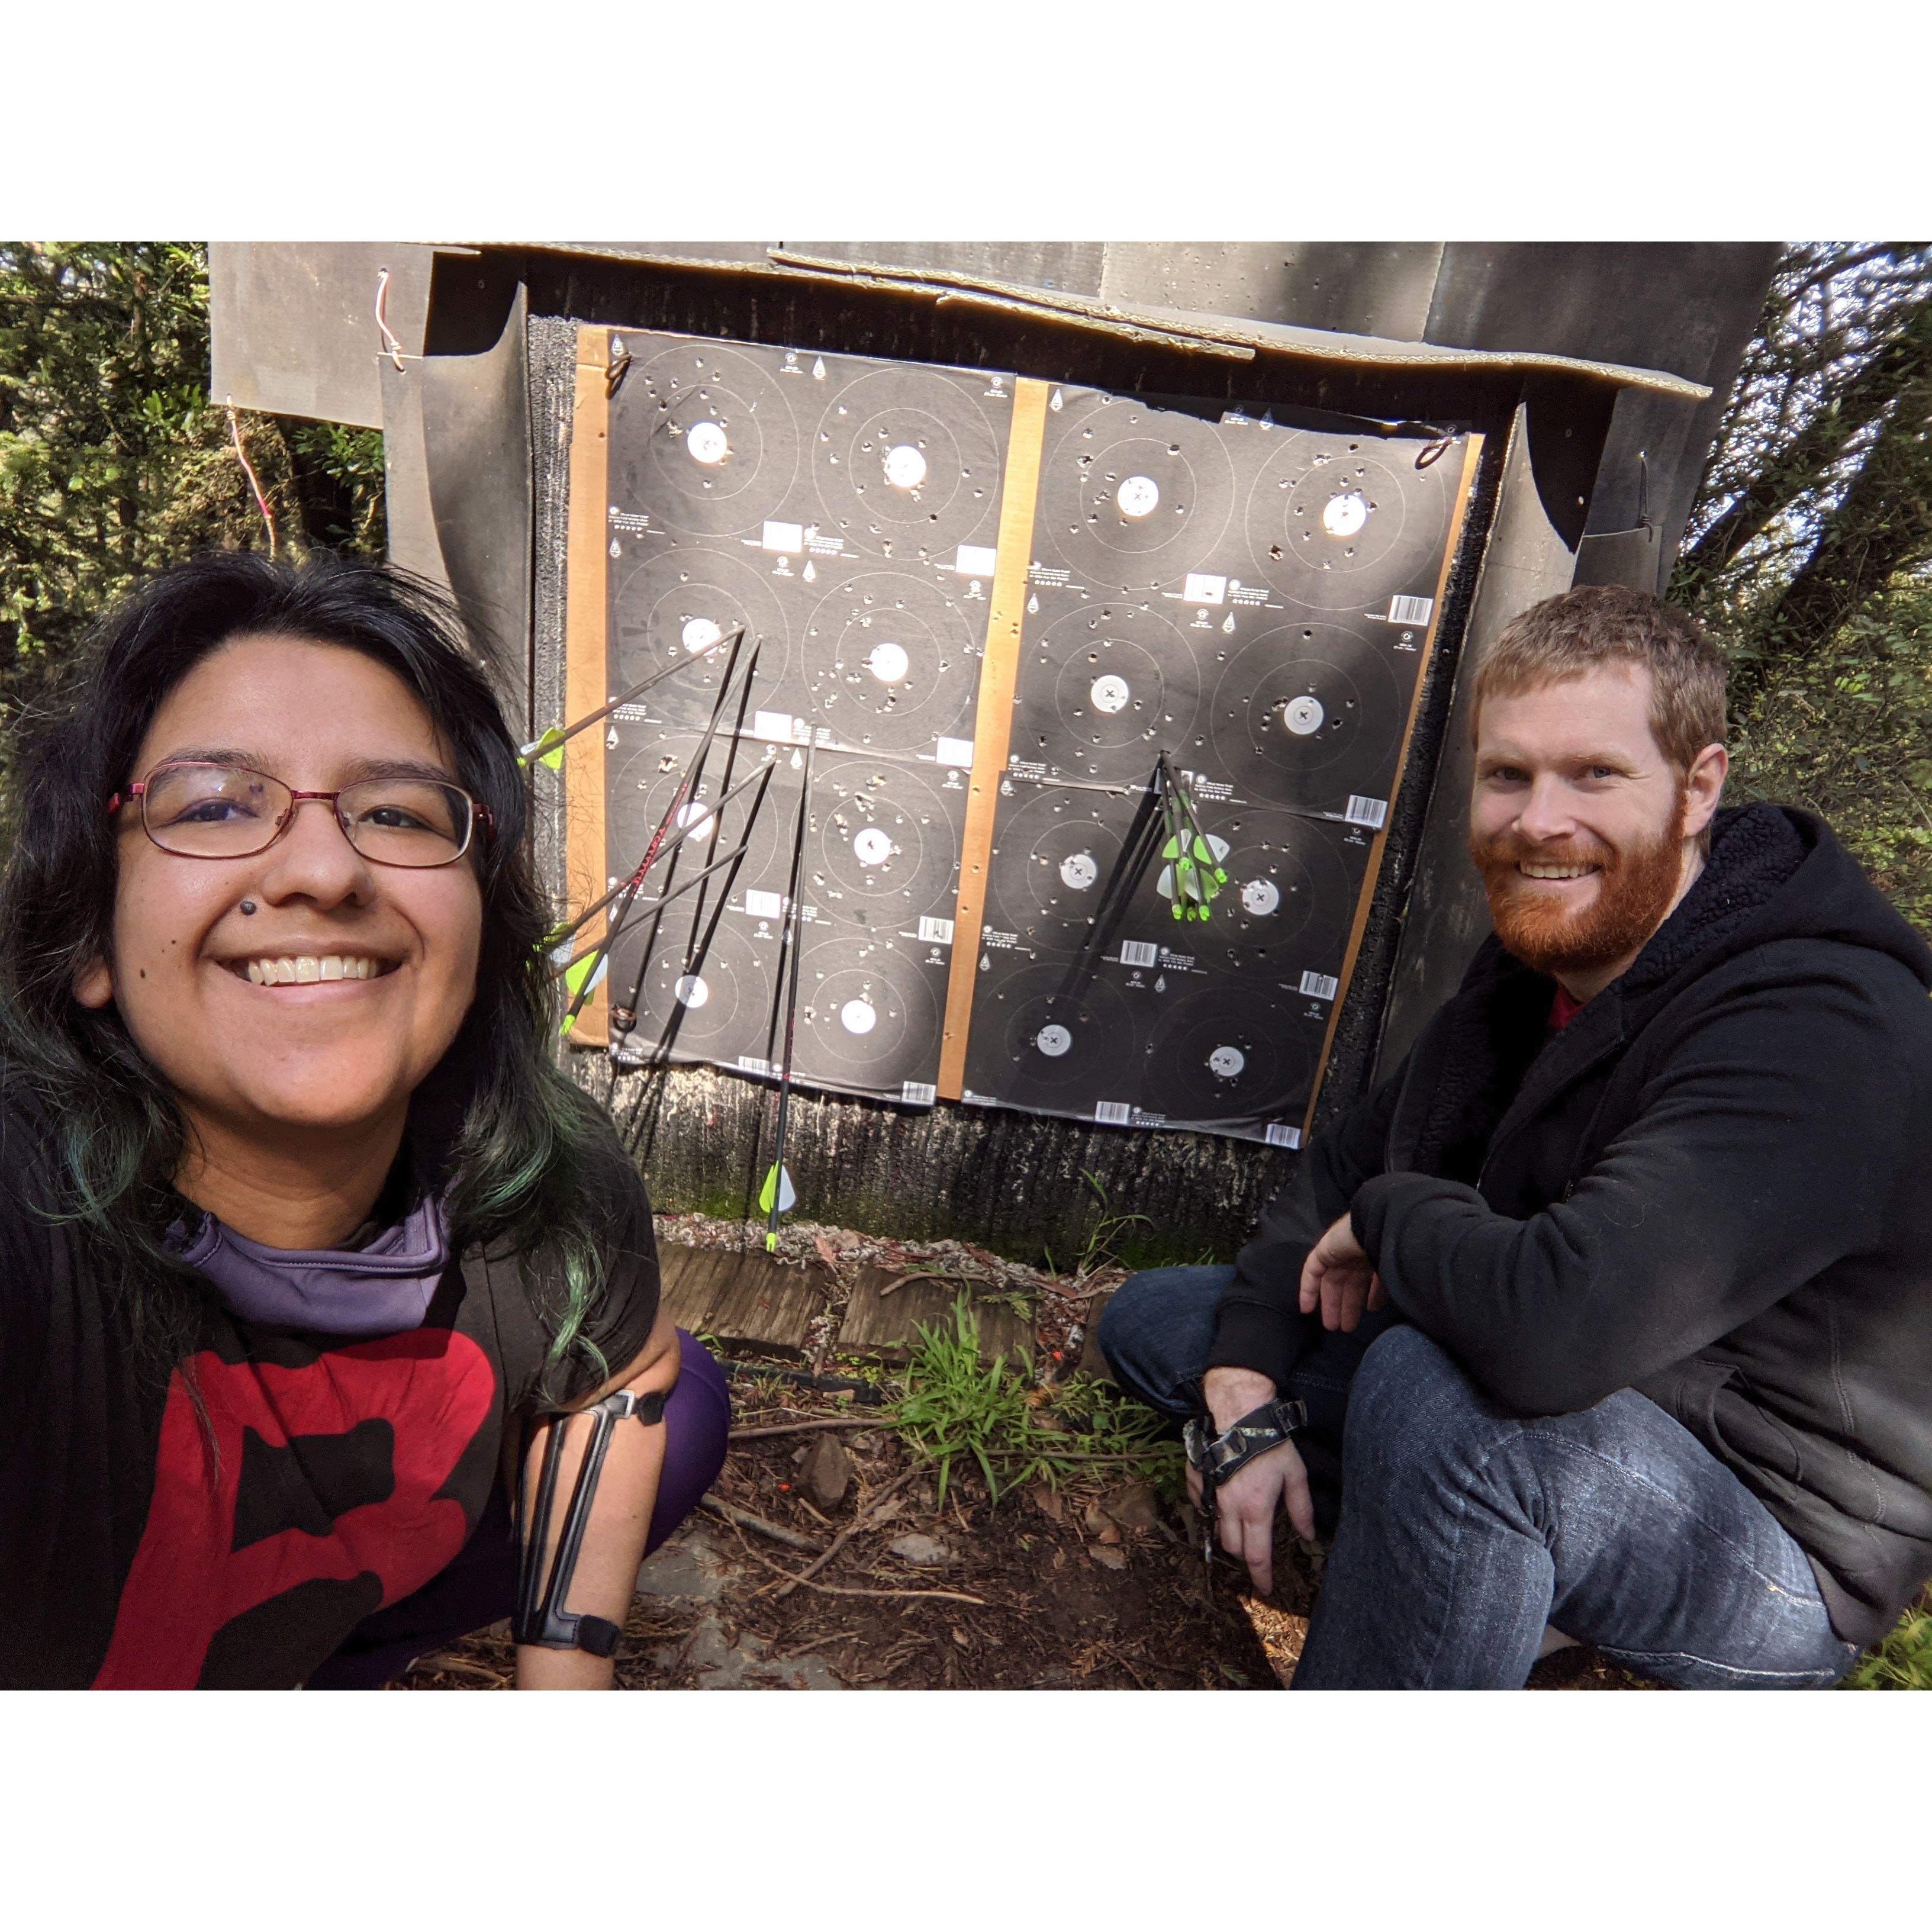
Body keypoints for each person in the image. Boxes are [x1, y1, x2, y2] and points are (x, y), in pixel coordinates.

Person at [1100, 585, 1932, 1688]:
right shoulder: (1544, 961)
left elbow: (1554, 1333)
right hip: (1574, 1392)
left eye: (1595, 773)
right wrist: (1248, 1389)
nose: (1540, 820)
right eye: (1509, 775)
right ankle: (1461, 1571)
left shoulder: (1823, 1023)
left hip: (1769, 1532)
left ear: (1699, 789)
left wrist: (1393, 1218)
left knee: (1447, 1411)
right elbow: (1353, 1159)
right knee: (1166, 1324)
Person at [0, 552, 729, 1689]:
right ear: (89, 932)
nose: (326, 869)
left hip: (291, 1606)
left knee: (694, 1410)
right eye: (214, 804)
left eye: (393, 811)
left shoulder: (545, 1180)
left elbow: (624, 1376)